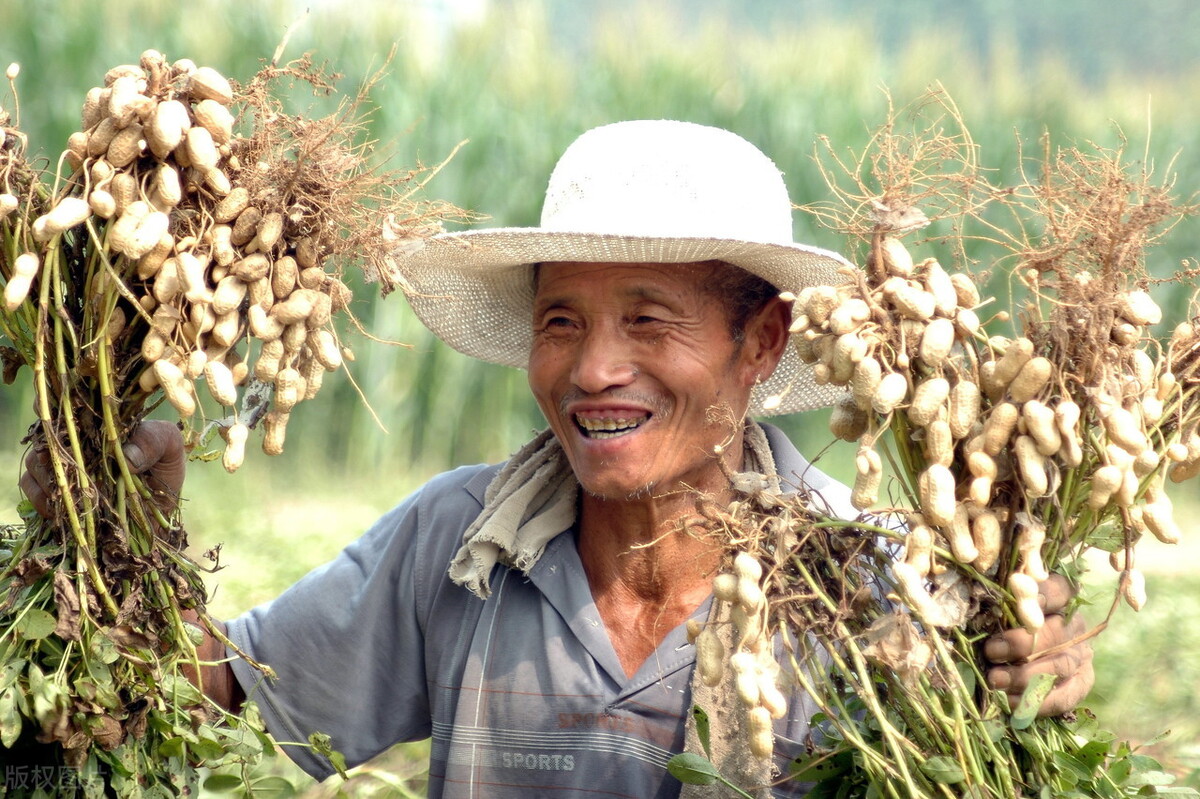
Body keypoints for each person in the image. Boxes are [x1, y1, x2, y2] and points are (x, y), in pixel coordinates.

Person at [22, 120, 1092, 797]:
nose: (594, 371)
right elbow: (223, 688)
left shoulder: (875, 583)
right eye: (563, 321)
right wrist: (119, 524)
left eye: (649, 321)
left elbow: (1004, 711)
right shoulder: (459, 544)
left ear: (760, 345)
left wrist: (1030, 668)